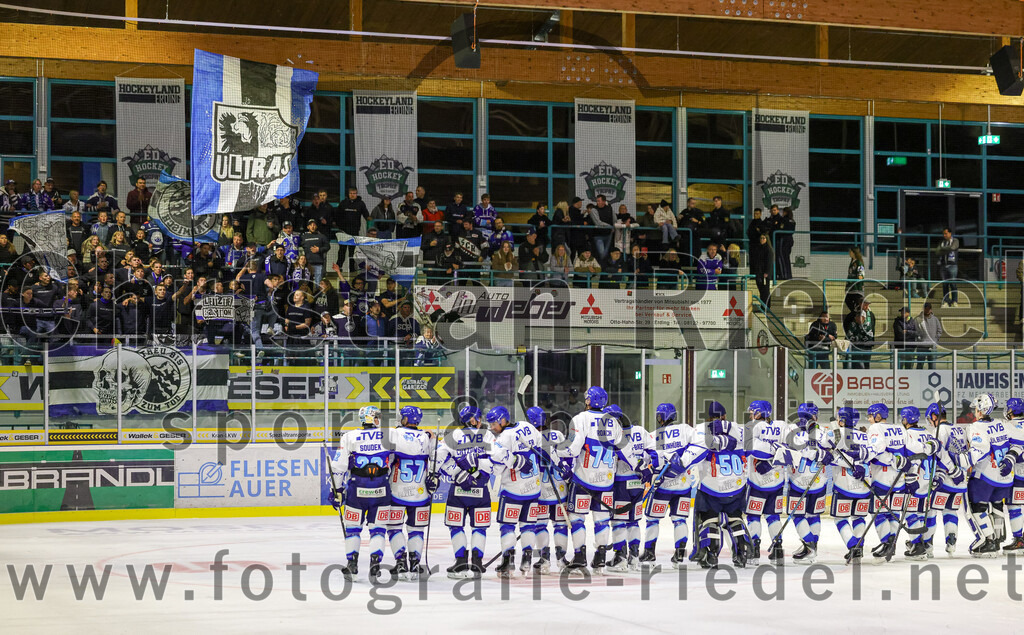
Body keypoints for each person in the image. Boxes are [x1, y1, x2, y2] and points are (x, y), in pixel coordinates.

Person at [564, 386, 637, 574]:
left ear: (588, 400)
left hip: (583, 480)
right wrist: (641, 468)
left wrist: (555, 453)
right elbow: (627, 451)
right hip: (606, 482)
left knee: (577, 518)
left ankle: (580, 556)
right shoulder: (614, 422)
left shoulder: (580, 419)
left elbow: (572, 449)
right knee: (602, 520)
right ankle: (601, 557)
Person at [330, 406, 395, 580]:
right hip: (381, 489)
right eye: (377, 417)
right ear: (370, 418)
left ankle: (352, 564)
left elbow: (338, 467)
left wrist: (337, 490)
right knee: (378, 529)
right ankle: (375, 564)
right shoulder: (388, 435)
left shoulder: (349, 436)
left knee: (352, 529)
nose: (379, 419)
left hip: (356, 490)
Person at [482, 405, 543, 578]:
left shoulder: (504, 437)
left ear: (503, 420)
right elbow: (540, 449)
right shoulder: (528, 426)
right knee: (528, 525)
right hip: (533, 489)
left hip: (513, 491)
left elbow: (497, 464)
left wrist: (483, 463)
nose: (492, 427)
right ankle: (527, 559)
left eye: (494, 423)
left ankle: (508, 562)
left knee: (507, 526)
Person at [436, 405, 495, 578]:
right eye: (478, 418)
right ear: (473, 419)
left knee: (456, 526)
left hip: (459, 489)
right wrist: (480, 475)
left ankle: (461, 563)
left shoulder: (453, 435)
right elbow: (497, 459)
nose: (480, 422)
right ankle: (477, 563)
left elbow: (438, 458)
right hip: (481, 490)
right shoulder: (488, 435)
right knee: (479, 527)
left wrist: (458, 473)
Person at [774, 403, 833, 564]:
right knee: (814, 515)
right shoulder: (822, 433)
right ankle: (812, 547)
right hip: (819, 482)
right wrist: (824, 452)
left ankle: (810, 546)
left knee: (797, 514)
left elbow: (785, 451)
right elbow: (832, 451)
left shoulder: (791, 431)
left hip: (799, 482)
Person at [385, 406, 434, 580]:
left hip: (397, 492)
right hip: (421, 494)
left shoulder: (393, 434)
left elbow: (387, 460)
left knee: (394, 527)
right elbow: (438, 459)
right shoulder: (427, 438)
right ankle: (415, 562)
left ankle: (401, 562)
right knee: (416, 530)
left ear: (405, 419)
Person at [643, 403, 695, 568]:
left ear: (661, 417)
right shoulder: (686, 429)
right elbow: (697, 446)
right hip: (684, 486)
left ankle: (649, 553)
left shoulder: (654, 436)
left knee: (652, 520)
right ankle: (679, 555)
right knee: (679, 520)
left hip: (663, 487)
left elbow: (651, 460)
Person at [965, 393, 1012, 556]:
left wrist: (963, 461)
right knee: (997, 504)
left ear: (981, 409)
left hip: (986, 476)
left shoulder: (976, 427)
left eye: (976, 408)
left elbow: (980, 450)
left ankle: (989, 541)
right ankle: (998, 538)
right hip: (1005, 476)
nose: (974, 412)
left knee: (978, 507)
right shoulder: (1001, 424)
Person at [824, 407, 872, 563]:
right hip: (865, 486)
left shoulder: (837, 434)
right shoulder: (865, 436)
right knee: (858, 517)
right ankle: (859, 546)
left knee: (840, 519)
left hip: (844, 486)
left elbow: (822, 444)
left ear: (841, 419)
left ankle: (853, 545)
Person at [744, 400, 788, 566]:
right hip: (777, 482)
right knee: (773, 516)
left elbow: (750, 448)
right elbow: (789, 448)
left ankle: (754, 550)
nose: (750, 415)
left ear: (759, 413)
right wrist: (773, 457)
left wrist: (767, 460)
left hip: (757, 483)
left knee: (753, 516)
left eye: (752, 412)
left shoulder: (752, 426)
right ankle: (778, 550)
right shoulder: (782, 426)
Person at [527, 406, 570, 574]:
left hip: (541, 491)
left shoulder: (530, 439)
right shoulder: (557, 434)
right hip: (560, 489)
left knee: (540, 525)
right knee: (560, 525)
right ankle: (561, 559)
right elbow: (567, 456)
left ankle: (544, 560)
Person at [1000, 399, 1024, 552]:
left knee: (1014, 505)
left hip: (1019, 473)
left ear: (1011, 411)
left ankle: (1019, 540)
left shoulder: (1007, 427)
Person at [300, 218, 330, 284]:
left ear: (316, 226)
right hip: (307, 265)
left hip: (318, 264)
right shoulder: (303, 237)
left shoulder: (322, 236)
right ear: (308, 227)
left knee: (318, 284)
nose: (312, 226)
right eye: (311, 225)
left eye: (314, 225)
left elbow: (328, 247)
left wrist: (319, 249)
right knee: (306, 284)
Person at [750, 232, 774, 306]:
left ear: (767, 239)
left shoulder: (768, 250)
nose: (762, 240)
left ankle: (766, 306)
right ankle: (763, 305)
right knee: (761, 290)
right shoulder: (758, 248)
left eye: (764, 238)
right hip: (759, 272)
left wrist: (766, 272)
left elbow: (769, 262)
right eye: (761, 238)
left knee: (765, 291)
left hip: (765, 274)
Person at [589, 195, 615, 262]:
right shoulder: (594, 210)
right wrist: (610, 226)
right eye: (597, 201)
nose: (597, 202)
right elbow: (598, 222)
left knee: (607, 253)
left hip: (608, 234)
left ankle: (604, 267)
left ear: (604, 201)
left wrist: (614, 227)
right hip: (598, 235)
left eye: (599, 201)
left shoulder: (609, 208)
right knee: (602, 253)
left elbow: (614, 218)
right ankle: (602, 267)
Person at [938, 227, 959, 307]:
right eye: (943, 234)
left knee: (953, 283)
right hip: (943, 266)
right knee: (945, 284)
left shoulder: (955, 241)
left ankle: (954, 301)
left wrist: (943, 249)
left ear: (950, 233)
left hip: (952, 265)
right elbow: (939, 251)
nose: (944, 235)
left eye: (946, 233)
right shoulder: (943, 242)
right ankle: (946, 301)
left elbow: (953, 247)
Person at [775, 206, 795, 280]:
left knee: (781, 257)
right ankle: (789, 275)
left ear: (785, 212)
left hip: (783, 240)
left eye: (783, 212)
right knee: (786, 258)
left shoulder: (783, 220)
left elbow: (779, 228)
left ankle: (784, 275)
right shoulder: (792, 221)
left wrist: (777, 224)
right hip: (790, 240)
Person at [844, 247, 866, 311]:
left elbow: (861, 275)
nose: (849, 253)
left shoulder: (859, 263)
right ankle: (854, 313)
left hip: (857, 288)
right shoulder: (852, 262)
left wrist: (857, 281)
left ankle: (858, 314)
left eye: (850, 252)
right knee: (848, 300)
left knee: (857, 302)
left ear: (854, 252)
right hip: (850, 288)